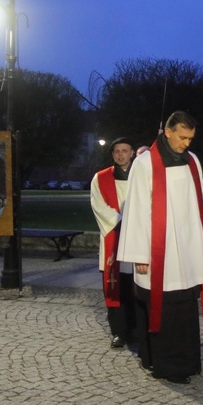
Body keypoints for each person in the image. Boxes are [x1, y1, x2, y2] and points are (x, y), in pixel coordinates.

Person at [116, 111, 203, 384]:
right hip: (157, 250)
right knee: (159, 305)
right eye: (182, 137)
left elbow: (196, 207)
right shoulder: (146, 163)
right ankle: (162, 362)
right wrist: (138, 254)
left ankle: (187, 360)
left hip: (187, 247)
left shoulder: (192, 161)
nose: (187, 143)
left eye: (190, 138)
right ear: (168, 132)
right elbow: (136, 209)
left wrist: (201, 247)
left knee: (184, 306)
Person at [90, 137, 137, 349]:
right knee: (115, 288)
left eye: (124, 151)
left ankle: (136, 329)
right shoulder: (100, 178)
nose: (120, 155)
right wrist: (121, 222)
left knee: (135, 288)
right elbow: (98, 206)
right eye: (116, 151)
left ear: (132, 153)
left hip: (137, 239)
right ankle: (119, 332)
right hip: (114, 237)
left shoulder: (142, 176)